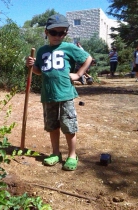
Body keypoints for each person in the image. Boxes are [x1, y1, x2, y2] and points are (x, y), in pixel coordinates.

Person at [26, 14, 92, 171]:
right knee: (52, 126)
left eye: (61, 33)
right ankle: (56, 153)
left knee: (69, 126)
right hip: (48, 95)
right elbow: (39, 71)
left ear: (66, 33)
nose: (57, 36)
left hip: (65, 95)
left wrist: (78, 75)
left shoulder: (69, 47)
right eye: (53, 32)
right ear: (46, 32)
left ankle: (72, 155)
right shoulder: (42, 51)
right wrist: (31, 66)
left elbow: (88, 58)